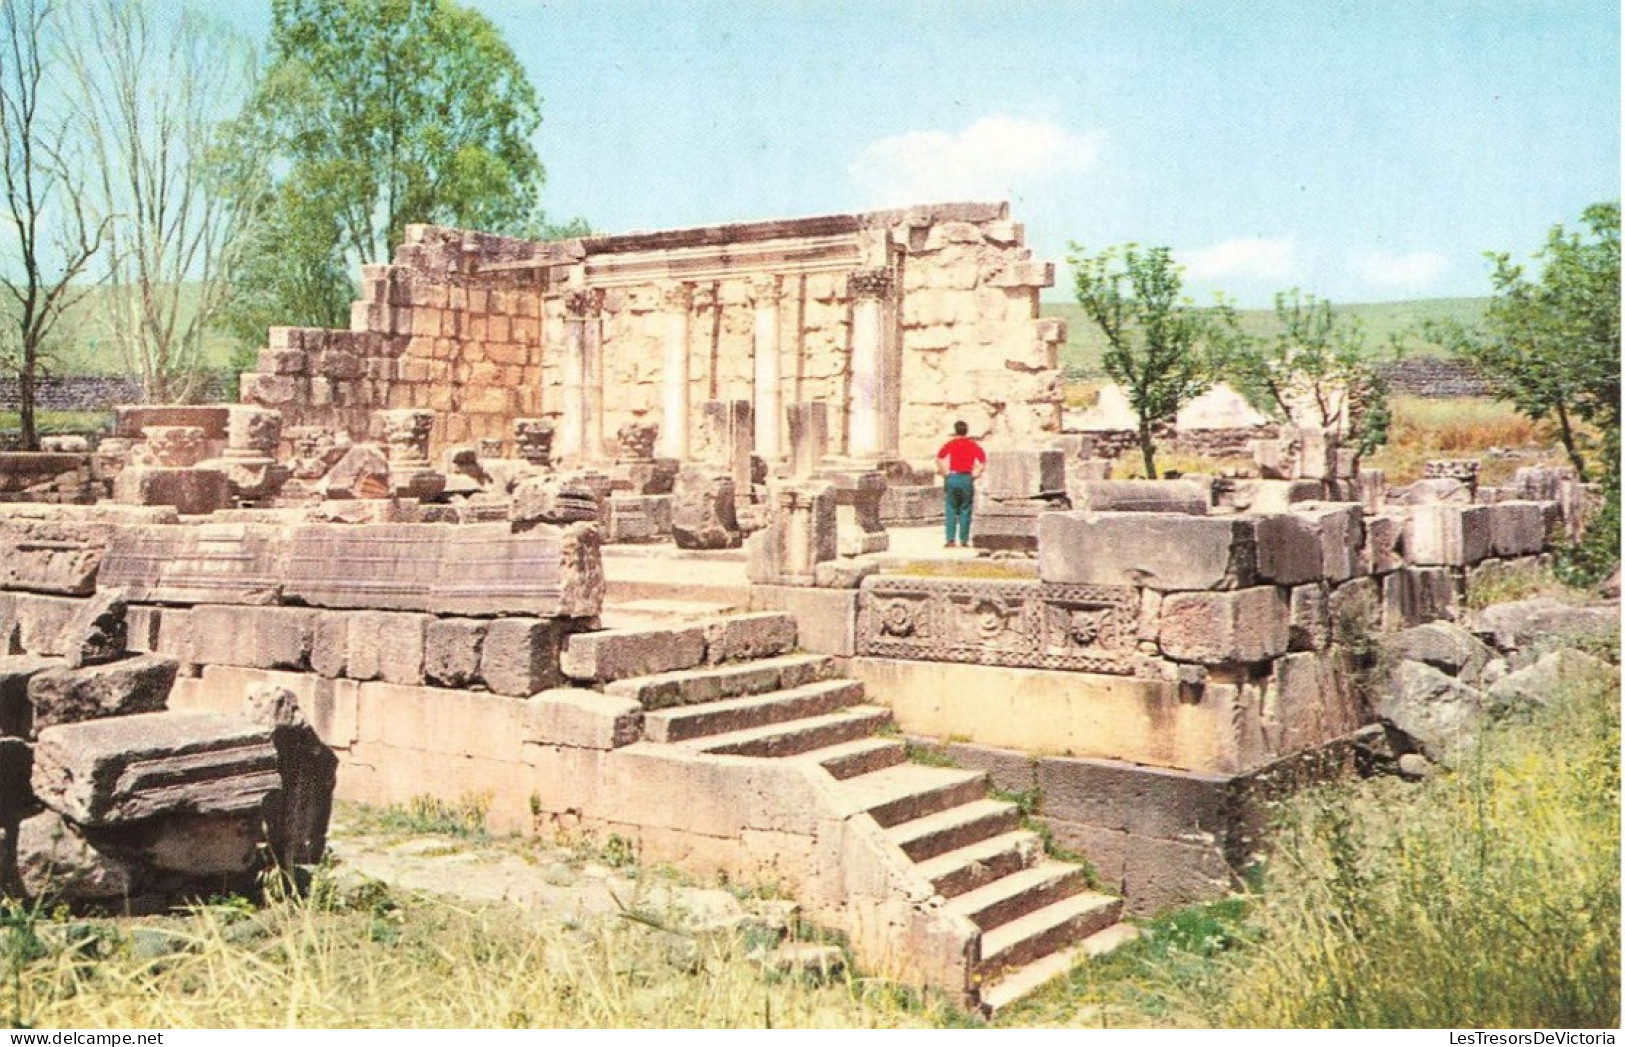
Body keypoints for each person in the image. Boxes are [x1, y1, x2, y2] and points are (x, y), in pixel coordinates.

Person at [936, 420, 986, 548]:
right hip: (966, 477)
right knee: (965, 508)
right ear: (966, 431)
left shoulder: (951, 444)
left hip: (953, 476)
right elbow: (982, 461)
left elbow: (939, 458)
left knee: (951, 508)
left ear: (955, 430)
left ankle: (950, 540)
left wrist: (945, 472)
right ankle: (964, 540)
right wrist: (976, 474)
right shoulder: (973, 445)